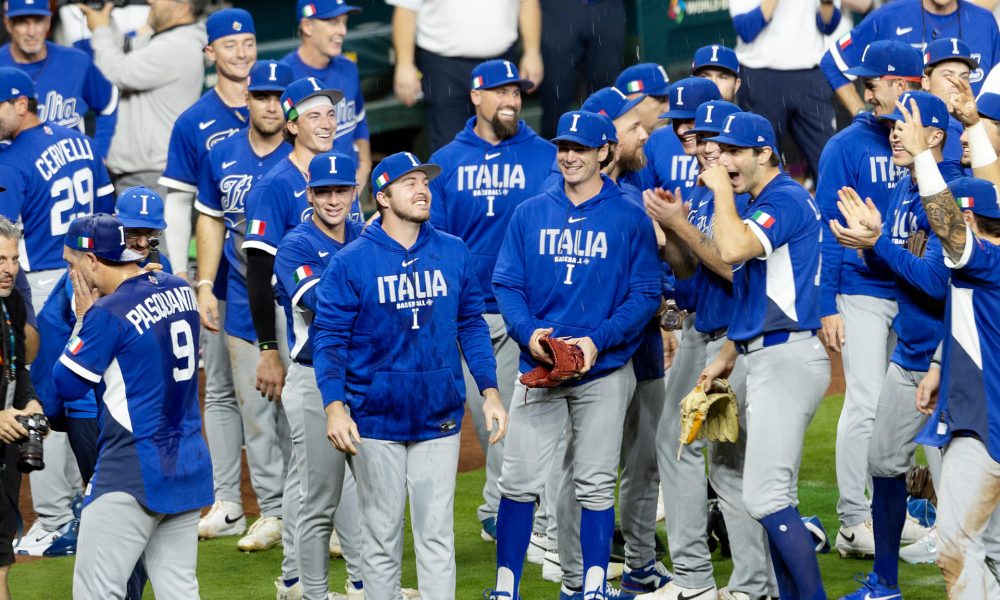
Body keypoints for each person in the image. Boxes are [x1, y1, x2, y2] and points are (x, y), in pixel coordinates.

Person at [313, 151, 507, 599]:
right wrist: (334, 407)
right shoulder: (351, 262)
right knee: (381, 539)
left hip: (438, 414)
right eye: (409, 183)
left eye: (424, 181)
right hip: (374, 418)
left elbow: (471, 325)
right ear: (382, 196)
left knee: (436, 536)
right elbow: (330, 341)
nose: (422, 190)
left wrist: (491, 392)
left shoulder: (453, 250)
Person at [489, 110, 661, 600]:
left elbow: (646, 294)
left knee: (594, 482)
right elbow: (507, 283)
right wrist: (529, 336)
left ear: (605, 152)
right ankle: (506, 588)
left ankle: (591, 587)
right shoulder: (530, 212)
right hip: (539, 367)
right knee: (518, 480)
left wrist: (595, 341)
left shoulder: (629, 216)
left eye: (581, 148)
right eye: (564, 147)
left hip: (603, 371)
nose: (568, 156)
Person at [665, 111, 830, 600]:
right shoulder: (764, 200)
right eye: (724, 152)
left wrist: (717, 191)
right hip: (764, 355)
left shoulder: (784, 199)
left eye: (738, 152)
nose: (727, 161)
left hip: (787, 359)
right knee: (769, 495)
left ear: (765, 154)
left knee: (764, 496)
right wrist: (730, 354)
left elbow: (732, 250)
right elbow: (760, 293)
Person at [643, 100, 779, 600]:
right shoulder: (706, 188)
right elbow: (686, 271)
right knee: (677, 443)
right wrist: (670, 227)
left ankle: (748, 582)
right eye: (690, 134)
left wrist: (681, 226)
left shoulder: (740, 192)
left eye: (704, 136)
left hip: (738, 339)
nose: (696, 143)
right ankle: (701, 579)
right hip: (705, 331)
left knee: (727, 458)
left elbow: (730, 266)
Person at [827, 91, 960, 599]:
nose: (894, 132)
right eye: (892, 125)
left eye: (905, 123)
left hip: (949, 362)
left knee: (968, 488)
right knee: (884, 463)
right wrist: (870, 241)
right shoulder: (904, 190)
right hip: (909, 356)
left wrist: (876, 243)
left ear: (936, 136)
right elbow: (893, 269)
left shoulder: (945, 193)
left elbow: (935, 282)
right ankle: (884, 581)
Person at [427, 58, 555, 544]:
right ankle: (503, 502)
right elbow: (434, 239)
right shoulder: (446, 162)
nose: (511, 100)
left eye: (517, 92)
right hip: (470, 312)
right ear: (476, 98)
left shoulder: (545, 156)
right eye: (500, 92)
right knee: (489, 418)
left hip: (527, 310)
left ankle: (513, 507)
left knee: (526, 416)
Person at [54, 213, 212, 600]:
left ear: (91, 260)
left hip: (132, 468)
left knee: (96, 591)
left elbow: (66, 384)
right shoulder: (179, 288)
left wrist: (82, 319)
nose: (71, 273)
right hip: (188, 460)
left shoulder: (106, 314)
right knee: (179, 589)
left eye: (72, 263)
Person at [813, 40, 924, 558]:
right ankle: (855, 519)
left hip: (914, 288)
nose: (864, 91)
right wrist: (828, 303)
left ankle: (905, 512)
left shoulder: (923, 144)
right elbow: (826, 231)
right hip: (861, 291)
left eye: (873, 82)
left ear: (902, 85)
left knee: (919, 403)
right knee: (864, 401)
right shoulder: (845, 147)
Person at [273, 151, 398, 600]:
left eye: (340, 190)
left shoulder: (366, 235)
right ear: (310, 194)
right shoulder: (296, 245)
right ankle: (312, 594)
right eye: (323, 191)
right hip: (313, 382)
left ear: (354, 192)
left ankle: (371, 585)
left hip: (362, 381)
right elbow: (323, 303)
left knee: (377, 498)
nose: (332, 200)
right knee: (318, 501)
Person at [0, 65, 114, 558]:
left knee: (40, 396)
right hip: (95, 271)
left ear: (20, 105)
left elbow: (5, 232)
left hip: (43, 279)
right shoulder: (81, 142)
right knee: (86, 387)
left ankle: (52, 518)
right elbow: (112, 209)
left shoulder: (12, 159)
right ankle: (87, 503)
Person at [897, 92, 1000, 599]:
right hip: (982, 417)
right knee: (995, 551)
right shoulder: (983, 267)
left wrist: (921, 157)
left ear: (977, 224)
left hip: (986, 427)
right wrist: (939, 363)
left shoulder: (985, 261)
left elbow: (950, 229)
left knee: (956, 547)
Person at [194, 60, 292, 544]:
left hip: (299, 300)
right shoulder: (222, 154)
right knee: (256, 408)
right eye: (262, 96)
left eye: (279, 97)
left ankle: (312, 507)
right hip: (242, 293)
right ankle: (273, 509)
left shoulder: (303, 158)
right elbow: (211, 220)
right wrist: (206, 284)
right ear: (247, 100)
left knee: (301, 408)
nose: (271, 105)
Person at [159, 7, 256, 275]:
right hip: (221, 261)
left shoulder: (277, 110)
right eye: (230, 45)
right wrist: (179, 271)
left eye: (248, 43)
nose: (242, 53)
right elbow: (179, 201)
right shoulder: (192, 121)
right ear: (210, 52)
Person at [77, 0, 205, 192]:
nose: (151, 1)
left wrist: (100, 30)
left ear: (184, 6)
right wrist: (105, 15)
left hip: (153, 176)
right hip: (146, 173)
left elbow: (115, 72)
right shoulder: (169, 39)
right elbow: (123, 50)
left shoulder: (176, 45)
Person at [389, 0, 543, 152]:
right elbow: (405, 9)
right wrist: (404, 64)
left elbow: (528, 2)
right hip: (444, 65)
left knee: (503, 144)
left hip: (500, 61)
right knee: (449, 146)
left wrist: (532, 52)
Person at [821, 0, 1000, 115]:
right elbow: (832, 62)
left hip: (970, 146)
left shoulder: (985, 21)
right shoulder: (891, 16)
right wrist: (861, 113)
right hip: (903, 143)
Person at [729, 0, 842, 181]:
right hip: (760, 75)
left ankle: (832, 209)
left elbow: (828, 25)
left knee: (829, 163)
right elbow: (747, 29)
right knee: (758, 165)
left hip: (809, 75)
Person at [0, 0, 118, 160]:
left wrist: (99, 155)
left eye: (38, 20)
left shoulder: (76, 61)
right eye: (23, 22)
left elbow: (108, 105)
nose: (32, 32)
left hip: (69, 175)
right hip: (15, 177)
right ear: (8, 24)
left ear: (48, 22)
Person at [0, 211, 44, 600]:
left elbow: (18, 366)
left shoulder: (12, 302)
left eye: (14, 260)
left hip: (7, 440)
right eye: (0, 260)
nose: (9, 269)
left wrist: (28, 399)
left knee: (1, 552)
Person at [283, 0, 372, 188]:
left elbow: (360, 121)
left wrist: (364, 165)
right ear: (307, 26)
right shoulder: (285, 75)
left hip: (349, 184)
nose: (343, 31)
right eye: (333, 22)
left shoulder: (349, 68)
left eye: (344, 21)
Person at [537, 0, 625, 139]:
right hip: (558, 10)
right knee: (555, 96)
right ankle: (554, 154)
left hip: (606, 7)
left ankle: (607, 152)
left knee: (607, 93)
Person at [646, 77, 722, 197]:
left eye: (691, 120)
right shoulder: (702, 174)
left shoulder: (739, 178)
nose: (681, 131)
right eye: (676, 121)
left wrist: (677, 217)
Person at [922, 37, 978, 165]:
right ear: (925, 82)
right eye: (948, 75)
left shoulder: (973, 123)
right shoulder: (944, 128)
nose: (956, 83)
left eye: (964, 77)